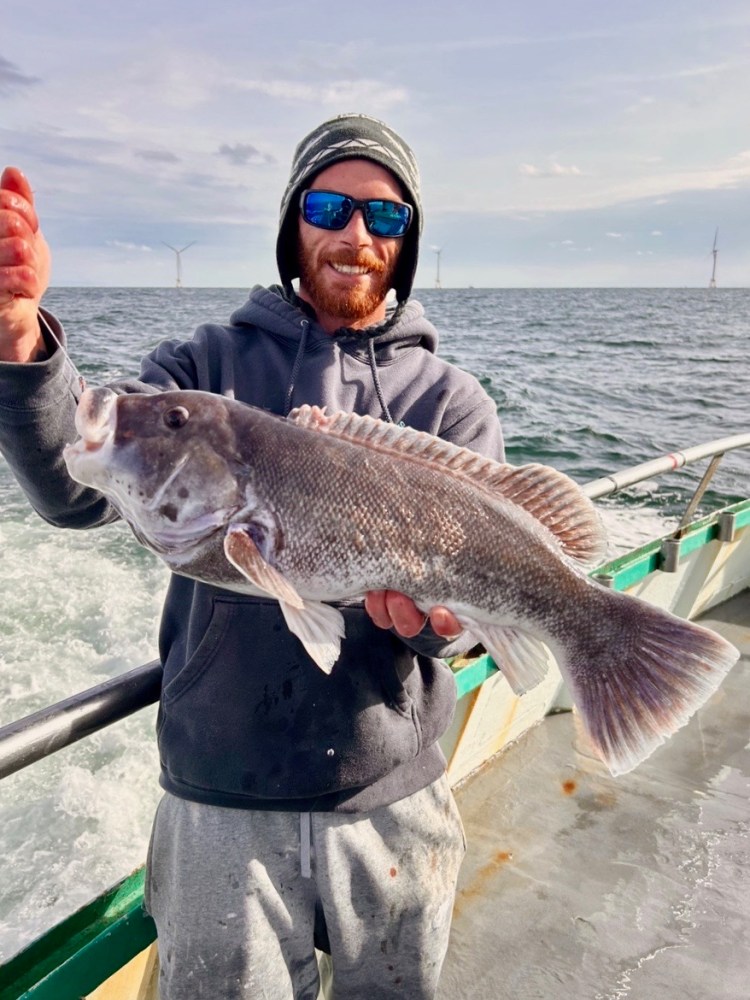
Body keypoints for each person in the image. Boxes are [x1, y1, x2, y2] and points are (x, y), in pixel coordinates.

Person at [0, 113, 505, 999]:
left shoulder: (452, 405)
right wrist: (16, 341)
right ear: (292, 221)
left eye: (384, 219)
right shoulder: (200, 370)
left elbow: (465, 632)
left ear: (408, 240)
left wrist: (447, 629)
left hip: (395, 802)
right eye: (329, 206)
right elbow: (76, 489)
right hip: (218, 807)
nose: (355, 236)